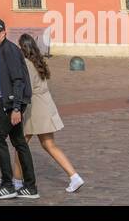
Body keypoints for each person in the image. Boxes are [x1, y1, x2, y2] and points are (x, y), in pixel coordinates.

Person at [18, 34, 84, 193]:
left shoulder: (26, 64)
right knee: (49, 144)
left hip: (35, 109)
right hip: (45, 105)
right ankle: (74, 176)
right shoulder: (38, 61)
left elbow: (26, 89)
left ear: (23, 48)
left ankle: (16, 180)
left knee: (20, 145)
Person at [0, 18, 38, 200]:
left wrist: (15, 108)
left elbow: (19, 80)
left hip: (10, 104)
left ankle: (8, 185)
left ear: (3, 32)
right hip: (9, 101)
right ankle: (30, 187)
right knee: (19, 143)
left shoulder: (9, 50)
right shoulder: (1, 49)